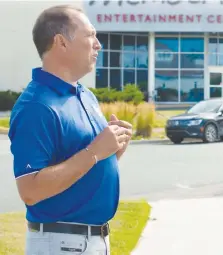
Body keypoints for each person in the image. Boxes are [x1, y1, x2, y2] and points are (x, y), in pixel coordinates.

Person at [8, 5, 132, 254]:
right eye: (90, 35)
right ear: (61, 43)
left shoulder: (85, 96)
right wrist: (95, 151)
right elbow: (30, 191)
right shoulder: (36, 106)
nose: (98, 44)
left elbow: (87, 164)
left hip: (94, 241)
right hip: (62, 244)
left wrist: (112, 148)